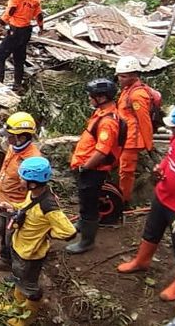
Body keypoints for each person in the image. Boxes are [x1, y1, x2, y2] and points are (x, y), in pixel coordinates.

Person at [116, 103, 175, 302]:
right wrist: (161, 168)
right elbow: (170, 158)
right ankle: (142, 261)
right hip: (162, 196)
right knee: (151, 231)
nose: (171, 129)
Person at [0, 157, 76, 326]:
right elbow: (27, 208)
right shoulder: (33, 193)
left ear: (32, 183)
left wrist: (46, 234)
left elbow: (69, 231)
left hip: (31, 254)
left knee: (29, 286)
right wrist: (13, 208)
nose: (19, 180)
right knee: (19, 279)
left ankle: (28, 317)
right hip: (20, 246)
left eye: (22, 178)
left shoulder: (49, 206)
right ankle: (17, 308)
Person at [66, 78, 122, 254]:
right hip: (87, 167)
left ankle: (87, 241)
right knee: (84, 200)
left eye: (92, 96)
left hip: (93, 170)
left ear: (102, 97)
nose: (89, 98)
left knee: (90, 204)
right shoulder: (101, 113)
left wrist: (86, 167)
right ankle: (82, 223)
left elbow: (102, 151)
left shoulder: (108, 122)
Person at [0, 112, 42, 272]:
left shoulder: (32, 160)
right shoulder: (13, 147)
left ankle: (18, 269)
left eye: (10, 135)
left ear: (21, 137)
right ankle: (5, 259)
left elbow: (36, 191)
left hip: (16, 207)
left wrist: (20, 209)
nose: (6, 138)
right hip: (4, 202)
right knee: (4, 233)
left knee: (14, 238)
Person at [0, 0, 44, 92]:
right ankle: (17, 84)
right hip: (26, 32)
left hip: (15, 30)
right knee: (19, 58)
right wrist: (41, 29)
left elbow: (9, 13)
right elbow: (39, 16)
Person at [115, 56, 155, 204]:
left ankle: (123, 201)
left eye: (123, 76)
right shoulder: (127, 90)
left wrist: (149, 145)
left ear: (133, 75)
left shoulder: (137, 95)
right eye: (119, 75)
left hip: (132, 139)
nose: (120, 79)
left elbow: (144, 121)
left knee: (126, 172)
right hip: (124, 136)